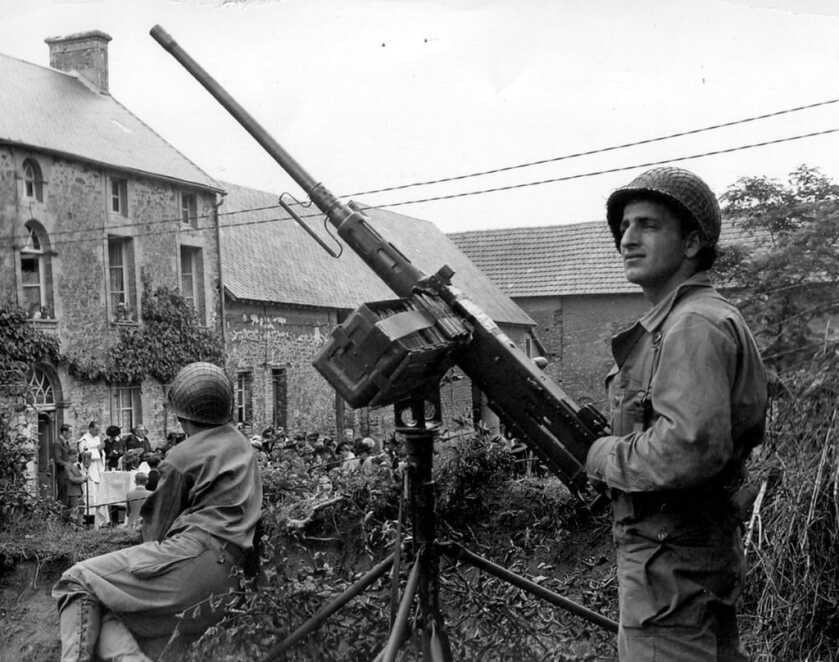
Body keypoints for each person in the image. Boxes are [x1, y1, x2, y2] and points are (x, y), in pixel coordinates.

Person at [585, 167, 767, 661]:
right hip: (679, 566)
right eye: (623, 226)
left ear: (690, 243)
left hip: (671, 578)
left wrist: (602, 456)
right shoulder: (690, 319)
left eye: (647, 225)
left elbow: (688, 449)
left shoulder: (692, 325)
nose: (628, 239)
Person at [53, 362, 263, 661]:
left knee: (76, 580)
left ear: (181, 416)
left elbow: (155, 532)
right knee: (111, 609)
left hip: (193, 560)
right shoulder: (242, 445)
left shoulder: (183, 456)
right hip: (230, 579)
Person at [52, 423, 76, 511]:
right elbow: (58, 460)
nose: (71, 434)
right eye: (70, 432)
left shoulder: (66, 442)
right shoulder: (57, 443)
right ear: (64, 432)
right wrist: (68, 465)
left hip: (67, 474)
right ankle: (59, 519)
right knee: (62, 498)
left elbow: (67, 455)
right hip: (62, 474)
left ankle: (65, 520)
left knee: (67, 497)